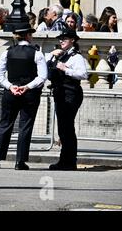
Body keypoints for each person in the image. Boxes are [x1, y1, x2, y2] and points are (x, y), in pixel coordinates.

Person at [0, 22, 47, 170]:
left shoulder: (7, 52)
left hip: (11, 92)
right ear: (28, 36)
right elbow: (42, 76)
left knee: (5, 124)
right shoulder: (37, 53)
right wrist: (27, 87)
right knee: (25, 126)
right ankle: (20, 161)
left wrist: (11, 86)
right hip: (29, 93)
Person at [47, 29, 88, 170]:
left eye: (65, 38)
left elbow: (83, 74)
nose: (61, 40)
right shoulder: (60, 55)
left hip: (71, 93)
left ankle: (69, 161)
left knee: (67, 128)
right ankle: (65, 160)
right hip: (60, 93)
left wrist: (65, 69)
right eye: (60, 38)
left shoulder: (76, 57)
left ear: (73, 40)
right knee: (63, 128)